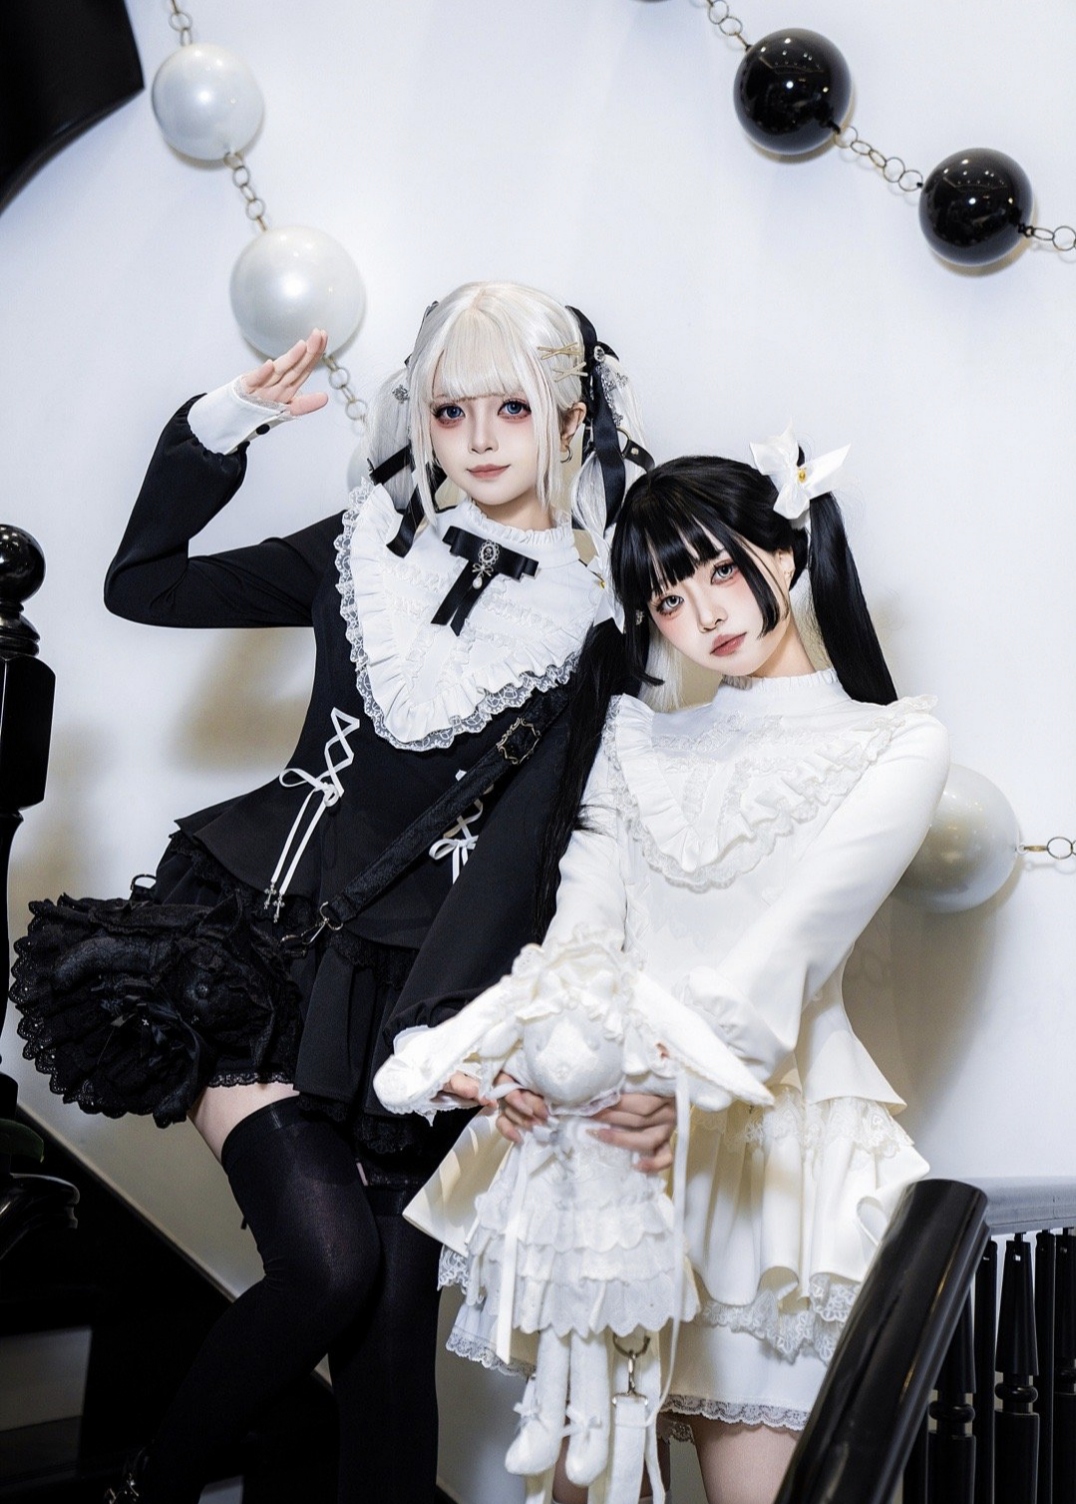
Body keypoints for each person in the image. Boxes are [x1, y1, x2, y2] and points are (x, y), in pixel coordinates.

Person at [13, 281, 654, 1503]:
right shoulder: (362, 548)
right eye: (449, 409)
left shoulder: (598, 625)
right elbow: (143, 585)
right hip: (250, 948)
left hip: (418, 993)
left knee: (390, 1330)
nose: (477, 438)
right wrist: (221, 426)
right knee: (326, 1270)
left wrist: (455, 1035)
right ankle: (145, 1489)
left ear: (571, 419)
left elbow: (530, 858)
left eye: (512, 407)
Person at [381, 432, 949, 1504]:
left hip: (766, 1161)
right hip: (600, 1141)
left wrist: (672, 1086)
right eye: (669, 599)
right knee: (583, 1482)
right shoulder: (634, 741)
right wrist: (540, 1060)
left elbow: (792, 946)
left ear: (784, 551)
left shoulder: (894, 744)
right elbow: (581, 935)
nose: (706, 613)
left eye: (722, 569)